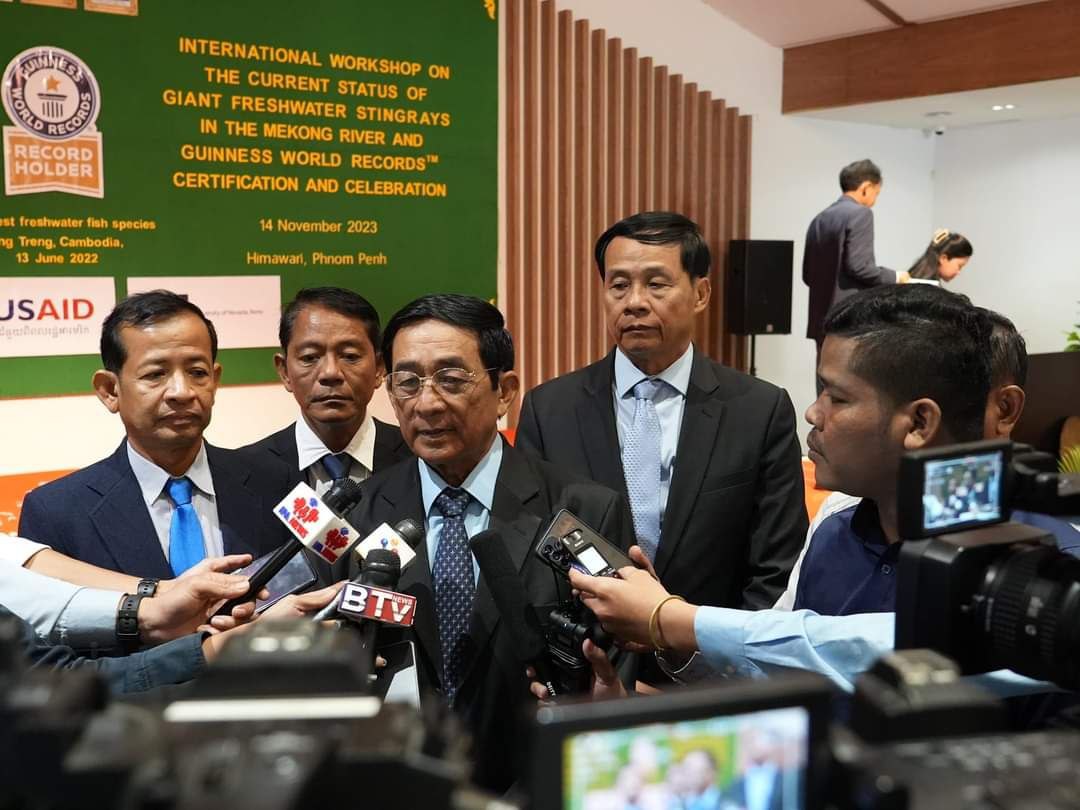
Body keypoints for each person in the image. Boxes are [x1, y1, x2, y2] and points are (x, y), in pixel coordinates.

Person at [558, 289, 1062, 694]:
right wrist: (668, 643)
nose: (813, 413)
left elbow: (907, 652)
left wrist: (674, 619)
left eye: (836, 397)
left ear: (918, 423)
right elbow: (776, 666)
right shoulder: (835, 530)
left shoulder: (1048, 563)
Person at [342, 293, 632, 793]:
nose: (427, 403)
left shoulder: (583, 510)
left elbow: (611, 675)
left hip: (539, 789)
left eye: (452, 379)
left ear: (504, 392)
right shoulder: (359, 515)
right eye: (407, 382)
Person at [516, 211, 807, 611]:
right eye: (619, 285)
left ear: (700, 294)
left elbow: (777, 569)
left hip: (711, 643)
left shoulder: (759, 411)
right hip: (588, 641)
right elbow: (531, 550)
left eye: (656, 284)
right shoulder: (549, 410)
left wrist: (707, 644)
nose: (635, 302)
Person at [18, 290, 293, 578]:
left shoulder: (275, 482)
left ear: (215, 381)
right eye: (155, 374)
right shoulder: (55, 513)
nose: (182, 392)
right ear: (110, 391)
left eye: (197, 372)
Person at [239, 287, 411, 495]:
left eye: (350, 356)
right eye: (310, 357)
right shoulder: (244, 472)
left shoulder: (418, 458)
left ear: (379, 368)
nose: (330, 373)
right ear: (284, 372)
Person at [803, 159, 910, 379]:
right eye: (876, 193)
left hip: (821, 318)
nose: (874, 200)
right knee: (849, 385)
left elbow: (807, 274)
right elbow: (860, 267)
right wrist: (895, 277)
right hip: (849, 318)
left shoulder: (820, 219)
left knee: (825, 385)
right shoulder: (860, 214)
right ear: (866, 187)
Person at [907, 229, 973, 283]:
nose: (958, 272)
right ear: (943, 258)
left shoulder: (910, 280)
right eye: (960, 266)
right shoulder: (928, 289)